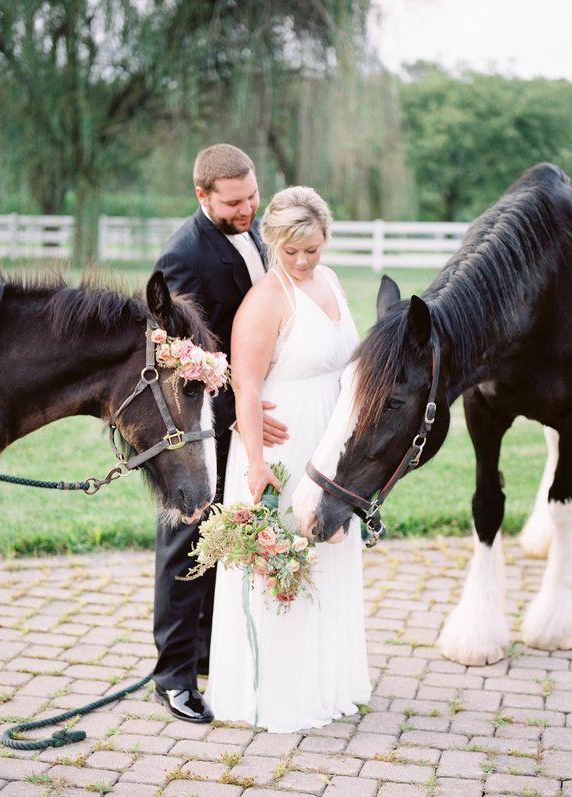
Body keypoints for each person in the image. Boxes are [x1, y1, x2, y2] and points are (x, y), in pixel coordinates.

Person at [204, 186, 371, 732]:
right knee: (286, 556)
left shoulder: (332, 282)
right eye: (291, 251)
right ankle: (278, 690)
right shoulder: (267, 299)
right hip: (281, 445)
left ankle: (326, 680)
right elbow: (245, 388)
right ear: (274, 243)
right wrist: (253, 464)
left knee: (329, 551)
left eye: (313, 250)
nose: (302, 261)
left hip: (330, 440)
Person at [152, 143, 288, 723]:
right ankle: (173, 674)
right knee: (187, 537)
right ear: (201, 195)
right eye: (234, 202)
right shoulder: (182, 258)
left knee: (228, 530)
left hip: (250, 407)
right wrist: (239, 410)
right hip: (205, 422)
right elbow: (186, 358)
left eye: (252, 196)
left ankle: (210, 652)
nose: (248, 209)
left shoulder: (252, 230)